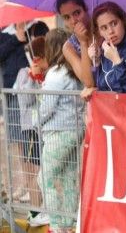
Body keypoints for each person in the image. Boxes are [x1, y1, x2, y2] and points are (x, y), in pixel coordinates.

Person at [37, 29, 85, 232]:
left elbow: (46, 108)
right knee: (68, 178)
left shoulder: (56, 73)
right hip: (76, 130)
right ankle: (69, 222)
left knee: (45, 178)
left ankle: (57, 224)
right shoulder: (74, 70)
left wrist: (35, 120)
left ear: (50, 48)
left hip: (59, 133)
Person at [0, 21, 48, 201]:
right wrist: (16, 39)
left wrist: (29, 40)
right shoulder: (6, 33)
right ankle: (27, 185)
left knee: (36, 142)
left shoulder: (37, 27)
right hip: (13, 93)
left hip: (36, 90)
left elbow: (45, 47)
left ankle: (37, 186)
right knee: (20, 141)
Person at [13, 36, 49, 227]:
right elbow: (25, 100)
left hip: (42, 129)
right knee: (33, 173)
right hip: (30, 129)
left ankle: (38, 209)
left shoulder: (48, 73)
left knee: (40, 172)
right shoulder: (23, 73)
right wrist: (32, 78)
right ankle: (35, 213)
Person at [82, 2, 126, 97]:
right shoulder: (105, 49)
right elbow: (103, 85)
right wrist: (96, 62)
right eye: (104, 28)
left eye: (114, 23)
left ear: (123, 21)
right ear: (99, 32)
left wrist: (117, 62)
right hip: (110, 110)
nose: (110, 31)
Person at [56, 0, 94, 87]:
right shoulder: (68, 47)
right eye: (67, 17)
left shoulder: (102, 30)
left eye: (77, 13)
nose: (73, 21)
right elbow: (88, 82)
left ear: (85, 9)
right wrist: (83, 42)